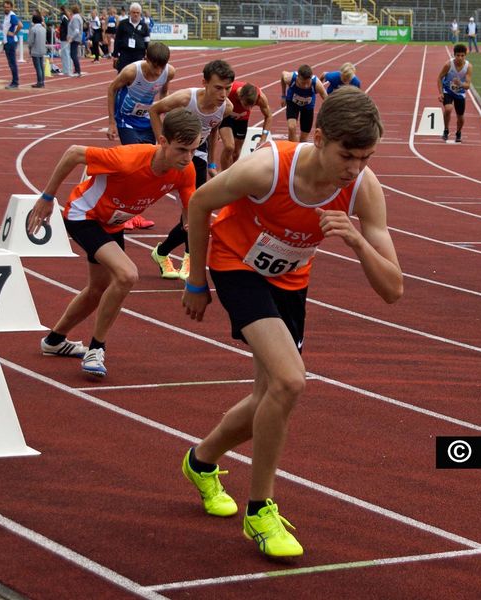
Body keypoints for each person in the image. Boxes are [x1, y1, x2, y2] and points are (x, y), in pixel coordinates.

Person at [180, 86, 403, 558]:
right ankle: (259, 510)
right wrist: (196, 280)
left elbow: (393, 289)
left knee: (271, 395)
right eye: (348, 156)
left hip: (289, 279)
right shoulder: (268, 167)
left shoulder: (363, 188)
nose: (355, 168)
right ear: (318, 137)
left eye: (366, 157)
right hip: (236, 263)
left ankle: (201, 461)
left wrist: (358, 243)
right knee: (290, 380)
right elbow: (199, 203)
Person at [27, 108, 201, 378]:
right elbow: (74, 152)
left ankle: (54, 341)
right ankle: (97, 348)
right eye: (181, 150)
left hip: (113, 223)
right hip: (83, 215)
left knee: (97, 289)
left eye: (193, 149)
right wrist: (47, 198)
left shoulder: (185, 170)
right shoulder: (128, 158)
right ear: (163, 141)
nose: (188, 158)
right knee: (127, 274)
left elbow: (191, 210)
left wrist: (195, 225)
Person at [148, 60, 235, 280]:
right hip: (173, 155)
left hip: (198, 158)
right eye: (218, 87)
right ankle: (165, 253)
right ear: (204, 83)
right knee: (193, 212)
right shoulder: (186, 99)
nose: (223, 94)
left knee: (196, 210)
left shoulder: (227, 108)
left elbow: (213, 130)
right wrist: (163, 146)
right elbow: (154, 110)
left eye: (227, 88)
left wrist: (212, 162)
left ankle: (179, 257)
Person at [107, 41, 175, 231]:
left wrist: (163, 109)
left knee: (146, 168)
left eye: (161, 68)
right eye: (154, 67)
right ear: (146, 58)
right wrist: (112, 122)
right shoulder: (131, 72)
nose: (157, 72)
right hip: (126, 120)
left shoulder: (168, 71)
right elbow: (111, 89)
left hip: (147, 121)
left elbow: (164, 90)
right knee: (131, 166)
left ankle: (133, 214)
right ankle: (120, 212)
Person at [219, 81, 272, 171]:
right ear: (240, 97)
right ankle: (222, 174)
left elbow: (269, 116)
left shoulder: (260, 98)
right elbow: (215, 106)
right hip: (226, 116)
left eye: (252, 106)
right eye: (246, 105)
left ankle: (231, 173)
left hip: (242, 119)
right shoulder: (229, 91)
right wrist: (215, 128)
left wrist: (263, 139)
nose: (249, 109)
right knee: (229, 147)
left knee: (236, 153)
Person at [280, 64, 327, 142]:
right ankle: (292, 150)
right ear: (298, 77)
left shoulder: (317, 84)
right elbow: (283, 74)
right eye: (303, 83)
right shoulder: (290, 78)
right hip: (293, 103)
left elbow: (326, 98)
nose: (305, 86)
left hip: (307, 107)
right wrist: (283, 96)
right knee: (291, 127)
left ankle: (299, 149)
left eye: (307, 83)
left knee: (304, 138)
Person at [437, 43, 472, 143]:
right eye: (458, 55)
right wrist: (440, 93)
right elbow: (439, 78)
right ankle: (446, 130)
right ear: (454, 55)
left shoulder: (468, 67)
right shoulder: (448, 65)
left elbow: (468, 86)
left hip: (460, 93)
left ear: (465, 55)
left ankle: (458, 132)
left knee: (460, 116)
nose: (460, 58)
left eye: (462, 55)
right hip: (447, 90)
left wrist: (460, 83)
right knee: (448, 109)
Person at [112, 2, 149, 72]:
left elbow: (147, 41)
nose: (135, 14)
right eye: (134, 12)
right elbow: (117, 39)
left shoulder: (144, 26)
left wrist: (148, 54)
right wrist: (115, 55)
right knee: (122, 75)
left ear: (140, 13)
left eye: (137, 13)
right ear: (130, 13)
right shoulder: (122, 24)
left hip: (139, 54)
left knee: (137, 76)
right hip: (125, 54)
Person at [1, 0, 22, 89]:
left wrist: (14, 33)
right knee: (10, 63)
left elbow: (20, 25)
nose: (6, 8)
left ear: (11, 7)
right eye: (5, 7)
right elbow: (5, 29)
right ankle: (14, 81)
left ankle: (15, 82)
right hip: (7, 42)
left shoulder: (12, 16)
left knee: (12, 63)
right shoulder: (6, 16)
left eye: (8, 7)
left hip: (11, 42)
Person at [28, 13, 46, 88]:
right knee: (41, 66)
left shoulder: (33, 29)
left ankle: (39, 82)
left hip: (35, 50)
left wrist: (30, 48)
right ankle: (42, 81)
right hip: (42, 49)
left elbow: (31, 41)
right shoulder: (43, 28)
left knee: (38, 67)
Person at [67, 4, 83, 77]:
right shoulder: (78, 17)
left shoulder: (75, 18)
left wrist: (71, 38)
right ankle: (77, 70)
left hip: (75, 38)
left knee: (73, 55)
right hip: (76, 38)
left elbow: (76, 30)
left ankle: (78, 70)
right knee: (73, 54)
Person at [58, 5, 71, 76]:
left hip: (64, 37)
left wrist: (67, 35)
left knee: (65, 54)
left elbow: (66, 26)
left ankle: (66, 70)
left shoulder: (63, 16)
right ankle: (67, 69)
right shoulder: (65, 16)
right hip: (65, 36)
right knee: (66, 53)